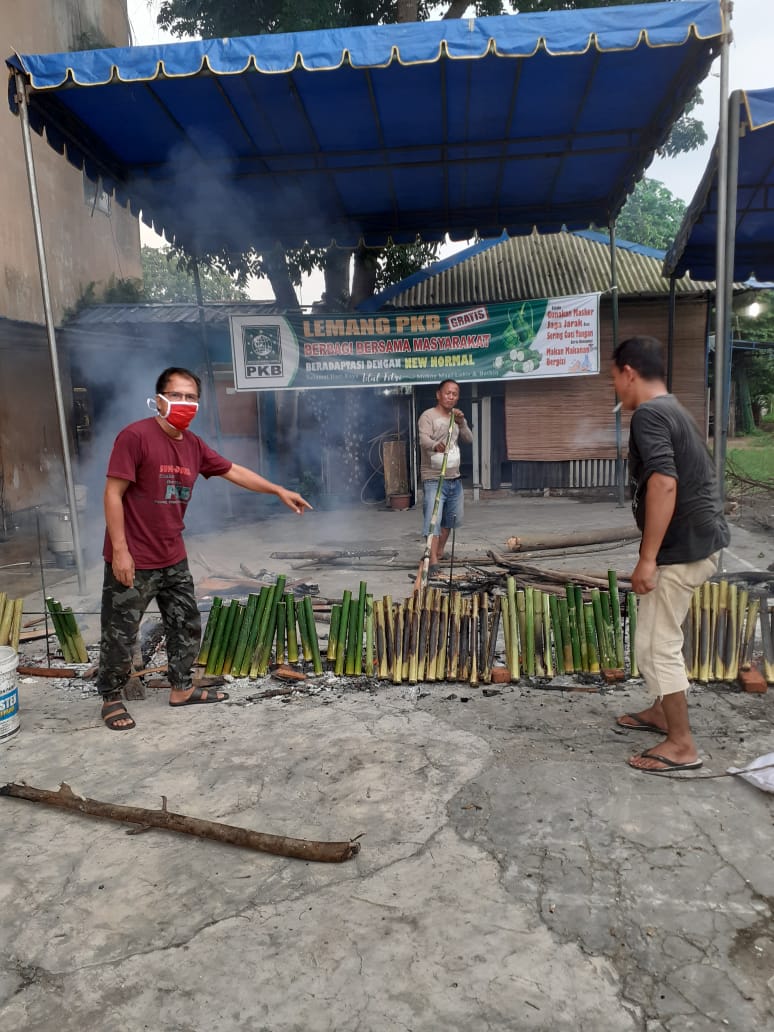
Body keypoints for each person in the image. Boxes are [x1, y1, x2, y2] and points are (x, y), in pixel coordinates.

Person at [97, 367, 311, 731]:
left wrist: (277, 490)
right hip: (135, 556)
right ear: (159, 399)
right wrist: (120, 551)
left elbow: (233, 471)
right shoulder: (135, 437)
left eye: (191, 397)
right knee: (121, 632)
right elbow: (113, 494)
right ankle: (112, 697)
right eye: (177, 395)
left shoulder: (193, 444)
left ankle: (181, 688)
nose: (185, 403)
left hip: (172, 554)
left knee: (186, 625)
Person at [611, 336, 730, 773]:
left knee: (657, 644)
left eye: (614, 379)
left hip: (681, 549)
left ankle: (682, 744)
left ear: (628, 372)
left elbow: (664, 481)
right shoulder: (675, 408)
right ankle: (662, 711)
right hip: (700, 540)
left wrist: (648, 558)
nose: (616, 390)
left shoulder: (649, 414)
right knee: (659, 635)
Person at [417, 379, 473, 575]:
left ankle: (439, 551)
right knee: (433, 520)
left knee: (451, 520)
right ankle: (431, 561)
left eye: (455, 394)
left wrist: (462, 423)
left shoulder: (455, 418)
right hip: (434, 477)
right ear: (438, 394)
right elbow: (423, 438)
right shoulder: (428, 416)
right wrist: (434, 445)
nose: (451, 397)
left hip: (454, 478)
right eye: (448, 393)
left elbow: (469, 439)